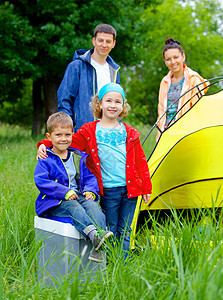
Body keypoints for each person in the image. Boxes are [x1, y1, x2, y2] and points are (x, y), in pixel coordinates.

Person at [37, 83, 152, 260]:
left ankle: (123, 261)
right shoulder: (90, 130)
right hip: (108, 189)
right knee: (110, 226)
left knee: (126, 228)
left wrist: (146, 187)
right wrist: (43, 145)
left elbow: (140, 161)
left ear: (123, 106)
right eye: (108, 100)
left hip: (131, 189)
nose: (113, 105)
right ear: (100, 104)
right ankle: (110, 261)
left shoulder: (129, 132)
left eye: (118, 101)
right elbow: (65, 141)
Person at [34, 112, 113, 263]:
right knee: (74, 208)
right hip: (55, 201)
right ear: (49, 137)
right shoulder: (45, 159)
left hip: (78, 195)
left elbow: (90, 177)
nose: (63, 139)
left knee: (92, 205)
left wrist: (90, 190)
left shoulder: (78, 157)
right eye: (58, 135)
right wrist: (65, 192)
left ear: (72, 134)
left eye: (67, 134)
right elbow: (42, 181)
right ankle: (94, 236)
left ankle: (100, 238)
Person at [57, 23, 120, 132]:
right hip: (81, 131)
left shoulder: (114, 71)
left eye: (108, 41)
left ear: (113, 44)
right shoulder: (76, 66)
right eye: (100, 40)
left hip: (107, 132)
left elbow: (117, 102)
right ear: (93, 41)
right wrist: (67, 128)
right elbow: (64, 100)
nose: (104, 45)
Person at [156, 37, 209, 141]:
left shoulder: (194, 79)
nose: (173, 62)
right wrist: (160, 132)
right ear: (165, 61)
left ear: (183, 56)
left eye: (176, 57)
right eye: (168, 59)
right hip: (165, 132)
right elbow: (161, 110)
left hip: (185, 133)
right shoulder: (164, 81)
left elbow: (197, 111)